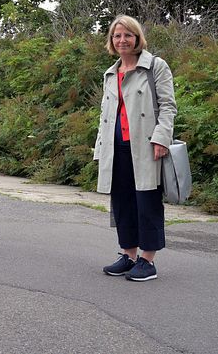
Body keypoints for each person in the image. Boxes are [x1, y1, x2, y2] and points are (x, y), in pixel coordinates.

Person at [94, 15, 176, 281]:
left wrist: (162, 138)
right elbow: (105, 116)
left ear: (137, 37)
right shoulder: (111, 73)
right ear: (111, 41)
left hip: (145, 145)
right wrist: (100, 148)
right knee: (122, 201)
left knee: (146, 201)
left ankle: (147, 260)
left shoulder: (155, 67)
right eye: (117, 36)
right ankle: (128, 255)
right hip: (116, 146)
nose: (122, 40)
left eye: (128, 35)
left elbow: (168, 106)